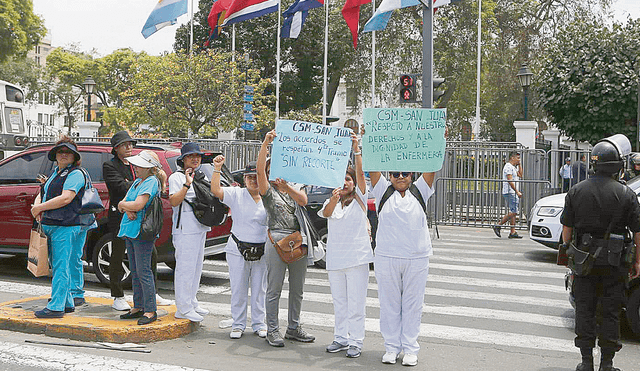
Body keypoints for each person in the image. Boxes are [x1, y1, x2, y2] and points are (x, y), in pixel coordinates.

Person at [560, 135, 640, 371]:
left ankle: (586, 362)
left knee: (585, 310)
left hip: (583, 262)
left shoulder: (576, 191)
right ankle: (607, 364)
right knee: (611, 312)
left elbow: (567, 231)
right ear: (617, 165)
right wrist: (638, 261)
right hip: (615, 263)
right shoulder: (627, 194)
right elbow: (637, 232)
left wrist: (570, 253)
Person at [368, 167, 436, 366]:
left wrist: (439, 139)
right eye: (395, 174)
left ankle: (410, 348)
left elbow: (431, 166)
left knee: (413, 305)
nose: (400, 177)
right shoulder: (383, 190)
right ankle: (391, 347)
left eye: (404, 174)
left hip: (417, 257)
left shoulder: (420, 190)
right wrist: (364, 143)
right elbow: (372, 167)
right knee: (389, 304)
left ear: (411, 176)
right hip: (387, 256)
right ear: (389, 176)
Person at [257, 129, 315, 347]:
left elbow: (303, 201)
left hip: (298, 240)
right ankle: (272, 329)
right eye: (272, 170)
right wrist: (265, 144)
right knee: (274, 288)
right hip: (276, 240)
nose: (275, 174)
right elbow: (259, 171)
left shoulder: (294, 187)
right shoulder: (268, 192)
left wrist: (287, 187)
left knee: (297, 288)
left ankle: (294, 327)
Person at [103, 131, 172, 310]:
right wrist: (128, 206)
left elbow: (137, 196)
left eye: (130, 144)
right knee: (119, 256)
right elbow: (120, 189)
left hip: (141, 222)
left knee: (147, 263)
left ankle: (150, 298)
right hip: (121, 219)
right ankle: (118, 295)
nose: (129, 147)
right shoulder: (110, 166)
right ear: (116, 148)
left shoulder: (142, 173)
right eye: (124, 145)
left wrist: (130, 203)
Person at [319, 133, 373, 359]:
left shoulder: (360, 197)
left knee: (356, 304)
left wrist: (356, 148)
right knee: (339, 302)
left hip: (357, 259)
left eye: (348, 180)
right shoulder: (330, 201)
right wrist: (333, 197)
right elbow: (327, 214)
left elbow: (360, 173)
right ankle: (340, 338)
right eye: (341, 180)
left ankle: (356, 341)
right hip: (335, 260)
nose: (345, 183)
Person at [31, 137, 96, 318]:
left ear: (75, 156)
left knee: (61, 266)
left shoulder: (75, 173)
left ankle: (57, 306)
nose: (64, 155)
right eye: (60, 151)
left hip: (66, 225)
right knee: (59, 264)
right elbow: (44, 193)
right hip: (53, 224)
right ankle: (67, 302)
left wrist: (40, 208)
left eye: (68, 152)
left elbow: (66, 198)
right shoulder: (56, 172)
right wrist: (37, 208)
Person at [210, 156, 268, 339]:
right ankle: (238, 324)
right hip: (238, 249)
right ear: (244, 179)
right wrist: (217, 169)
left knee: (260, 290)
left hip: (262, 250)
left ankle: (259, 323)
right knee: (238, 288)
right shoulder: (236, 194)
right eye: (250, 177)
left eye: (257, 176)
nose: (253, 181)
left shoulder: (269, 197)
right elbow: (216, 190)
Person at [117, 150, 165, 325]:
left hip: (141, 232)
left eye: (139, 165)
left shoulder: (151, 182)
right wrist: (127, 207)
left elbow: (137, 204)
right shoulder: (138, 182)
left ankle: (150, 310)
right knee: (136, 270)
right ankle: (138, 306)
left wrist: (125, 206)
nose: (135, 168)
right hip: (131, 231)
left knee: (144, 271)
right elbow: (125, 203)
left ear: (149, 167)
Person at [168, 143, 212, 323]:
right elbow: (173, 201)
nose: (195, 159)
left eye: (198, 156)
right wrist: (186, 185)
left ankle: (192, 301)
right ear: (183, 159)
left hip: (199, 227)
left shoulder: (201, 176)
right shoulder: (176, 178)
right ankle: (183, 308)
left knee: (196, 268)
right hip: (184, 229)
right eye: (191, 156)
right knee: (185, 269)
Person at [493, 151, 523, 239]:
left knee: (513, 211)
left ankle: (512, 232)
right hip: (510, 192)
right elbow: (510, 181)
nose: (519, 160)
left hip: (512, 192)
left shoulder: (513, 167)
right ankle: (498, 225)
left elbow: (520, 175)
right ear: (512, 158)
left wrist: (520, 165)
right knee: (514, 212)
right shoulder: (508, 167)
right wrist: (517, 191)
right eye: (518, 158)